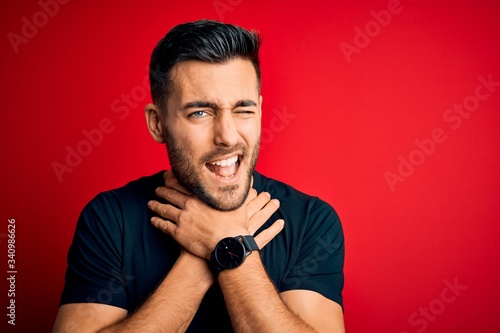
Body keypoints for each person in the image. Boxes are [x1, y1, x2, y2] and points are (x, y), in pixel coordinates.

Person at [53, 20, 345, 332]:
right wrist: (215, 251)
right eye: (200, 113)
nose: (228, 136)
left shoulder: (312, 221)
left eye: (242, 110)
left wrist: (227, 246)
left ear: (259, 111)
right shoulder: (109, 219)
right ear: (157, 123)